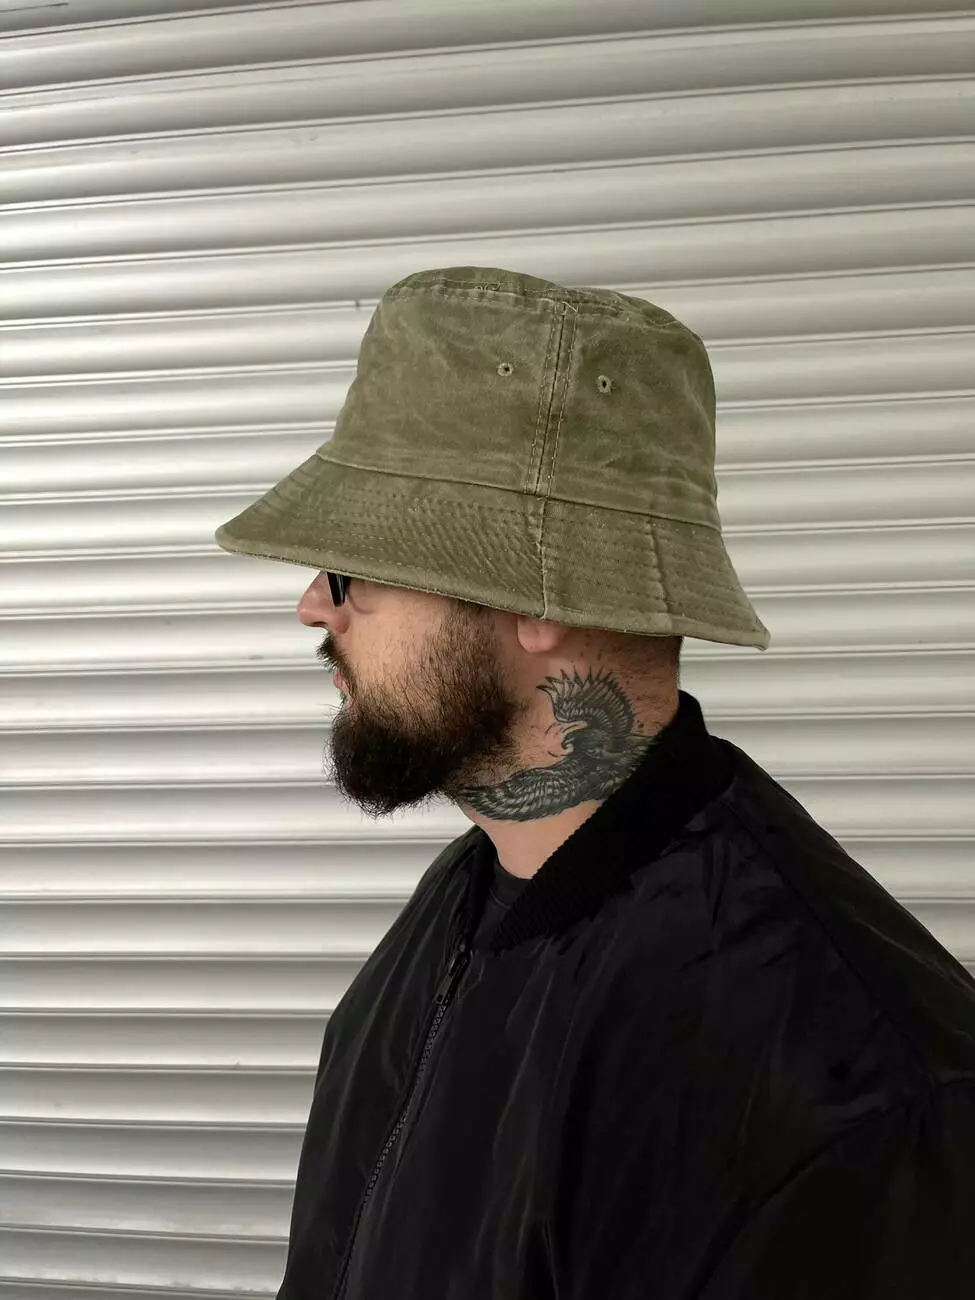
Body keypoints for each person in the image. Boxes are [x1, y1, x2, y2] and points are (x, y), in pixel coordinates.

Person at [215, 266, 975, 1299]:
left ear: (540, 595)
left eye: (351, 565)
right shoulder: (470, 895)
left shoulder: (847, 1099)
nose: (314, 604)